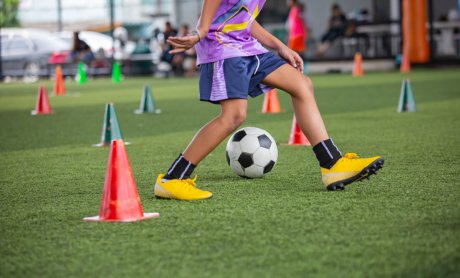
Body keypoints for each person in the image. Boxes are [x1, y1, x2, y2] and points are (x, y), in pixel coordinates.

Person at [155, 0, 384, 201]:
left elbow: (245, 16)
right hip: (222, 46)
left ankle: (332, 164)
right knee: (234, 115)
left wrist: (279, 45)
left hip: (246, 46)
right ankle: (173, 179)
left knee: (302, 85)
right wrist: (201, 31)